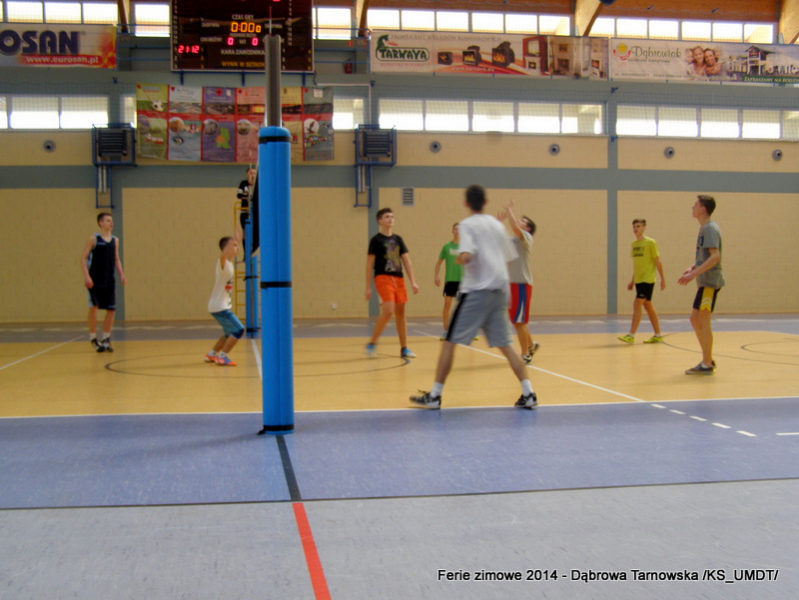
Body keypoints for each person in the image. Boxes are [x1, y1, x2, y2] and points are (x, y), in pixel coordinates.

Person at [410, 185, 537, 410]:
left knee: (449, 342)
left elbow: (467, 256)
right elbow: (508, 257)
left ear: (466, 203)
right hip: (500, 292)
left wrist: (461, 258)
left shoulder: (468, 225)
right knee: (507, 346)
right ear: (485, 202)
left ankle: (435, 395)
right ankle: (529, 393)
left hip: (477, 292)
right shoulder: (497, 226)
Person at [677, 195, 724, 375]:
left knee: (703, 320)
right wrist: (693, 267)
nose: (693, 207)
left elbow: (715, 256)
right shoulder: (704, 229)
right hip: (705, 282)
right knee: (695, 319)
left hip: (709, 282)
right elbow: (705, 257)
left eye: (695, 205)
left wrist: (693, 275)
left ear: (703, 209)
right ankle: (707, 358)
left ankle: (707, 363)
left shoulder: (709, 228)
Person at [365, 208, 420, 359]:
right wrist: (368, 287)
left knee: (401, 313)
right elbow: (369, 264)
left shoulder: (398, 239)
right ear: (380, 221)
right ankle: (372, 343)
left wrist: (413, 282)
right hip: (383, 277)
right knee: (389, 310)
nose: (390, 219)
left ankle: (404, 348)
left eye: (392, 217)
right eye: (387, 217)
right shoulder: (376, 240)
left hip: (399, 278)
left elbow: (407, 262)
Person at [497, 199, 540, 363]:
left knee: (519, 322)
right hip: (512, 285)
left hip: (522, 284)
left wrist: (509, 210)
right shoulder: (513, 240)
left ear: (528, 228)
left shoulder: (526, 237)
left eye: (523, 221)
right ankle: (531, 345)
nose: (519, 221)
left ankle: (525, 355)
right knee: (518, 321)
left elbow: (515, 227)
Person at [81, 213, 126, 352]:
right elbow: (83, 258)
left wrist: (122, 274)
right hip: (95, 280)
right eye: (108, 220)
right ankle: (93, 338)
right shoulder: (94, 239)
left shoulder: (115, 240)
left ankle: (106, 338)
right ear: (101, 223)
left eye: (111, 220)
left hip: (109, 280)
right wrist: (87, 276)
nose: (111, 223)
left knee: (111, 310)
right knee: (94, 308)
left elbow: (116, 259)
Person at [619, 218, 665, 344]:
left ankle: (631, 335)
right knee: (648, 305)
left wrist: (662, 279)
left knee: (637, 303)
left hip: (648, 279)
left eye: (638, 226)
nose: (636, 229)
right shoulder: (634, 244)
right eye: (634, 226)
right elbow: (638, 265)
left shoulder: (651, 243)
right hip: (639, 280)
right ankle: (658, 335)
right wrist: (632, 281)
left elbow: (657, 261)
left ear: (644, 228)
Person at [205, 228, 245, 366]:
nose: (237, 248)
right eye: (234, 245)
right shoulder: (222, 262)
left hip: (219, 306)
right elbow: (223, 256)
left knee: (229, 333)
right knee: (239, 330)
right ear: (226, 248)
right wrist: (230, 244)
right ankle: (223, 357)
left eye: (237, 246)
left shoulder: (229, 264)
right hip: (219, 307)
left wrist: (235, 242)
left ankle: (211, 354)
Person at [434, 223, 463, 339]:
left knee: (466, 306)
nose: (458, 231)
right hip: (450, 279)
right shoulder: (447, 246)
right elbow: (439, 263)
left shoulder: (466, 246)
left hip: (463, 280)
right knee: (447, 304)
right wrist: (436, 276)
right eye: (456, 229)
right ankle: (446, 331)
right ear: (452, 231)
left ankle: (470, 331)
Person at [237, 167, 257, 234]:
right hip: (245, 211)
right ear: (247, 174)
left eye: (254, 173)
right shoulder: (243, 183)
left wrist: (246, 194)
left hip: (255, 211)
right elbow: (239, 195)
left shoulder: (258, 185)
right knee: (245, 231)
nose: (252, 175)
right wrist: (248, 195)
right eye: (250, 173)